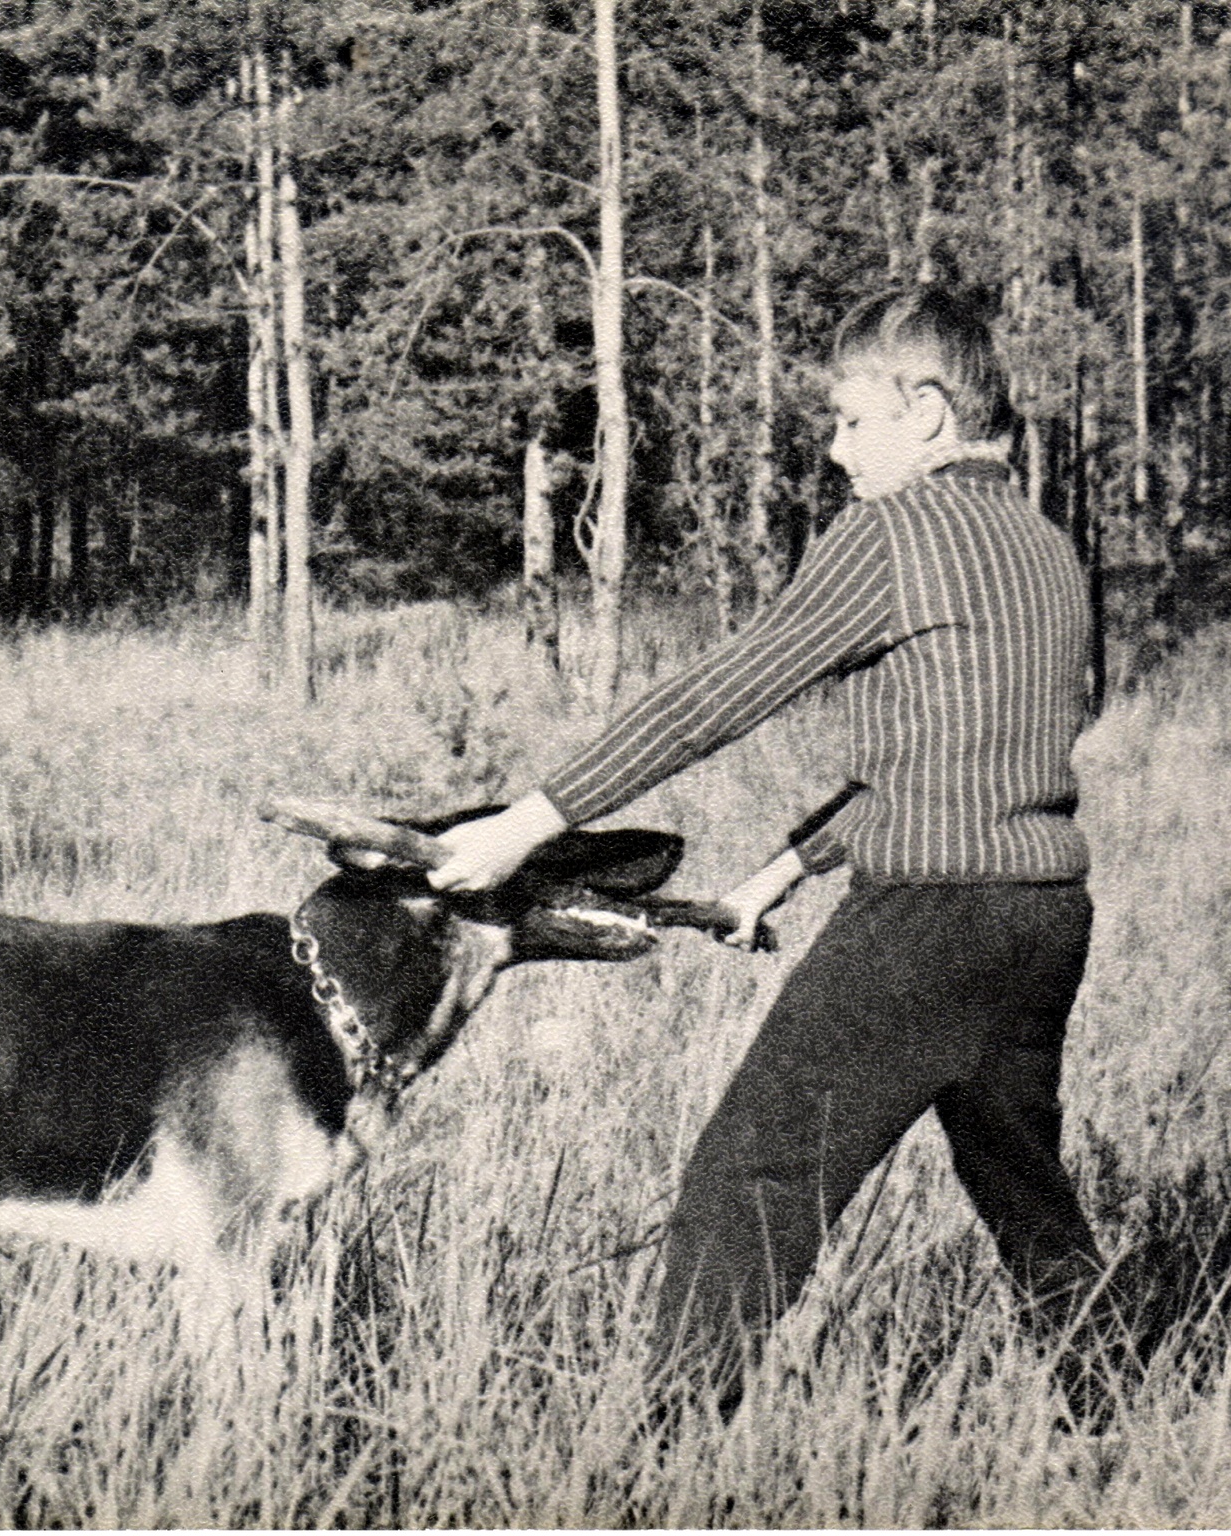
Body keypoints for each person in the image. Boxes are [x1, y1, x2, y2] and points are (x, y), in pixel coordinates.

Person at [429, 287, 1113, 1421]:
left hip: (928, 920)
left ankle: (661, 1455)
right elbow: (969, 757)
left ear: (928, 411)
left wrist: (526, 823)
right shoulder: (1044, 549)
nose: (835, 452)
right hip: (1041, 918)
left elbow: (718, 695)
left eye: (850, 420)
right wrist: (783, 870)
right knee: (1024, 1194)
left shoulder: (897, 530)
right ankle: (1111, 1418)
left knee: (750, 1177)